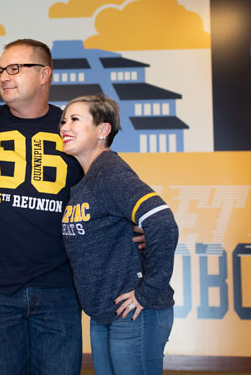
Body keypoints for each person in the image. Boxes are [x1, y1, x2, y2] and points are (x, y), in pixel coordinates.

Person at [0, 39, 84, 375]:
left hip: (59, 287)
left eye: (15, 68)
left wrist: (133, 222)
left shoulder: (75, 128)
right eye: (0, 69)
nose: (4, 76)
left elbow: (105, 185)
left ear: (45, 73)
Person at [59, 94, 178, 375]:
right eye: (63, 120)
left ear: (103, 130)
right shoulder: (85, 181)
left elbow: (161, 220)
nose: (64, 127)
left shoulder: (109, 172)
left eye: (75, 119)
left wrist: (146, 292)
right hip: (105, 313)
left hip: (136, 313)